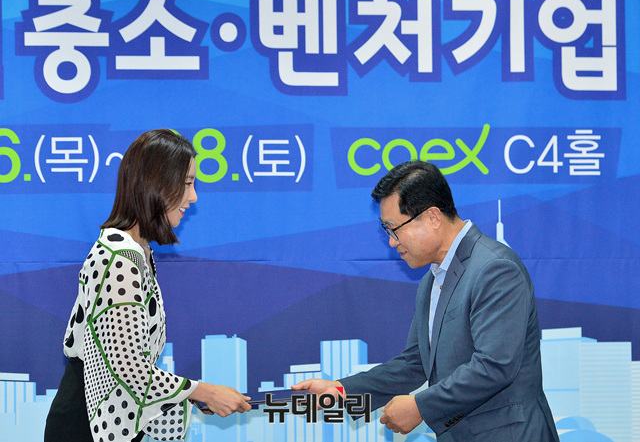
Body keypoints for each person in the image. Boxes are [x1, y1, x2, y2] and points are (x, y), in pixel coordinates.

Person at [293, 160, 559, 441]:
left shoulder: (494, 268)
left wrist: (420, 407)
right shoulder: (432, 280)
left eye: (393, 228)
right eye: (387, 230)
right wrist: (340, 390)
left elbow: (494, 366)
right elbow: (417, 362)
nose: (392, 242)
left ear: (432, 217)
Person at [44, 129, 251, 442]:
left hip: (107, 421)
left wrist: (189, 397)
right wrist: (205, 392)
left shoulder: (137, 252)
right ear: (156, 184)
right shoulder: (119, 258)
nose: (193, 197)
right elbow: (128, 367)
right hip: (88, 424)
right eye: (187, 183)